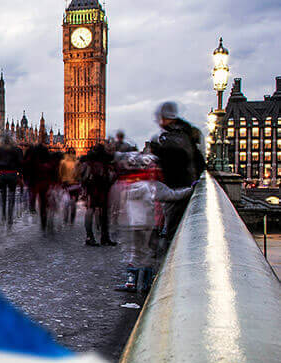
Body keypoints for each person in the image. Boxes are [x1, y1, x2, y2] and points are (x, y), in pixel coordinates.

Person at [113, 153, 192, 292]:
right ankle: (146, 284)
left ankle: (131, 281)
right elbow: (173, 196)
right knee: (149, 254)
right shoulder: (154, 186)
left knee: (133, 254)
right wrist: (190, 189)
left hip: (133, 224)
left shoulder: (130, 184)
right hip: (150, 224)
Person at [148, 101, 205, 242]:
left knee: (174, 231)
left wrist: (158, 151)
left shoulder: (172, 137)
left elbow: (175, 160)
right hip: (186, 184)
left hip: (178, 187)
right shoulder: (188, 132)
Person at [79, 143, 116, 246]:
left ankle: (90, 236)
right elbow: (112, 176)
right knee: (102, 212)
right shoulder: (105, 163)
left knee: (91, 211)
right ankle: (104, 237)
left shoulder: (88, 163)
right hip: (102, 188)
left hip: (93, 189)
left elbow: (83, 177)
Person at [0, 134, 23, 229]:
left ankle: (3, 217)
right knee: (12, 196)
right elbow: (20, 163)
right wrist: (20, 175)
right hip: (12, 174)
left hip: (2, 174)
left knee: (3, 196)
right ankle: (10, 219)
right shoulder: (17, 150)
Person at [59, 147, 80, 224]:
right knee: (73, 203)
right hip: (75, 185)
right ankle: (72, 220)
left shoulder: (63, 162)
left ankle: (65, 220)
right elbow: (79, 174)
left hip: (66, 184)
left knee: (66, 203)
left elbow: (60, 173)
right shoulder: (77, 162)